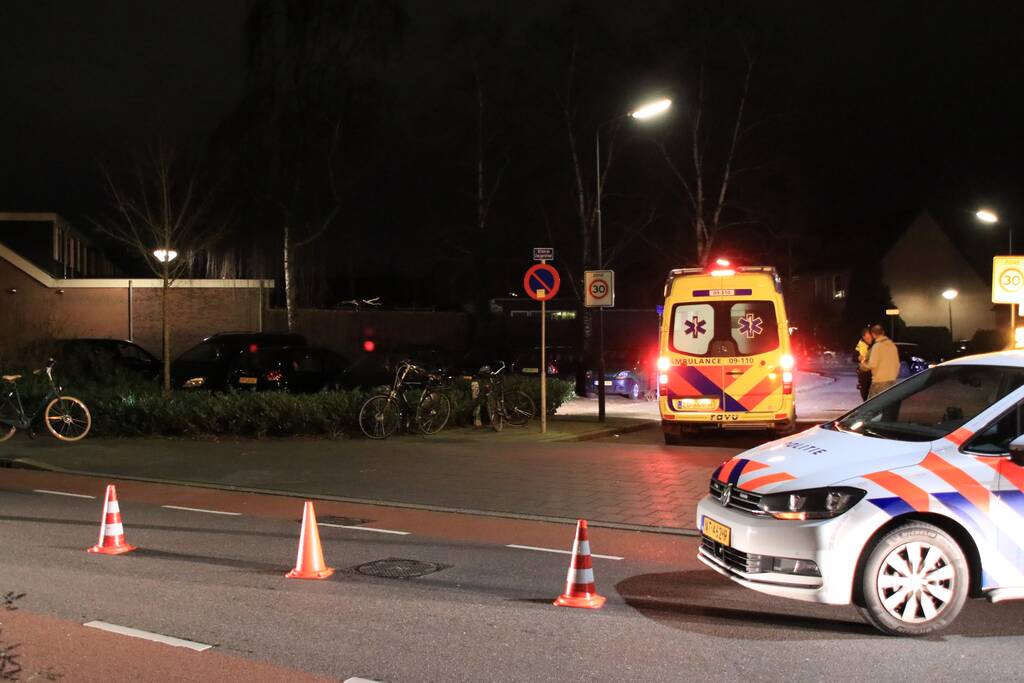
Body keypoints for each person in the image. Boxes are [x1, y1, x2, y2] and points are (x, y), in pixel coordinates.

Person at [861, 324, 899, 398]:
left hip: (879, 382)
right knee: (886, 403)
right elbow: (897, 364)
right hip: (891, 381)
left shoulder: (877, 346)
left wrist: (863, 365)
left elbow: (872, 364)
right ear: (883, 332)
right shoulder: (892, 346)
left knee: (871, 405)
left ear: (873, 335)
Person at [855, 328, 873, 401]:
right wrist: (858, 357)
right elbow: (854, 356)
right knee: (865, 392)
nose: (870, 340)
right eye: (868, 338)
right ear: (864, 337)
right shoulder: (860, 344)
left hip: (874, 372)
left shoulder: (875, 344)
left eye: (871, 337)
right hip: (864, 373)